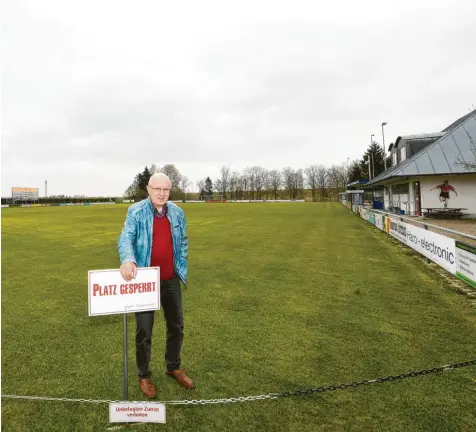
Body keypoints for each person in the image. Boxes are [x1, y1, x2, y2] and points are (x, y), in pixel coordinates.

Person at [117, 172, 194, 399]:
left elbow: (183, 241)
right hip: (146, 281)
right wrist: (128, 259)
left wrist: (181, 261)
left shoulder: (178, 212)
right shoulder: (136, 211)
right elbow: (125, 237)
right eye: (156, 189)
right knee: (144, 330)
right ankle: (144, 375)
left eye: (165, 189)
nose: (161, 193)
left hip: (170, 279)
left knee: (176, 326)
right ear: (148, 189)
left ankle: (173, 367)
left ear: (170, 191)